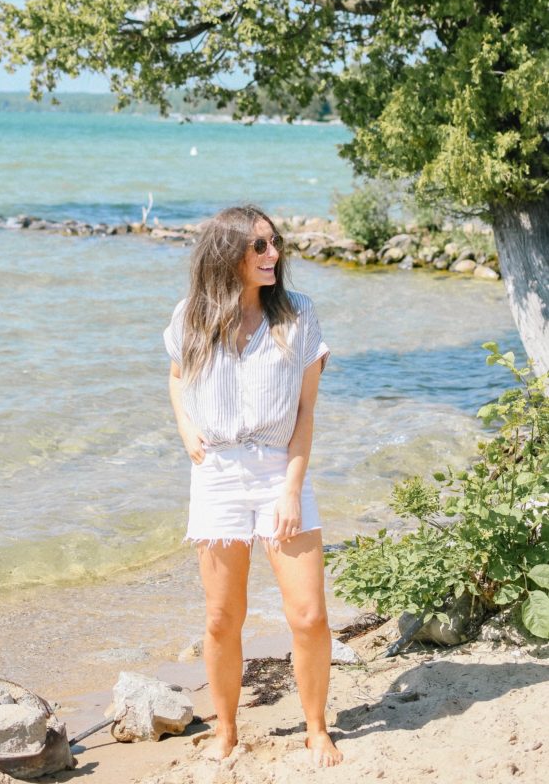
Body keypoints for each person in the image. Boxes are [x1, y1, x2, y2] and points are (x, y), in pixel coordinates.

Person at [163, 204, 343, 768]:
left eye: (275, 243)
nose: (273, 255)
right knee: (221, 617)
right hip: (215, 475)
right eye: (259, 246)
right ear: (228, 255)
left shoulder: (298, 316)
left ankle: (316, 729)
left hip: (278, 471)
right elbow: (175, 378)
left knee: (309, 614)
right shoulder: (192, 316)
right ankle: (227, 731)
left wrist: (291, 488)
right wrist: (187, 427)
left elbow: (306, 412)